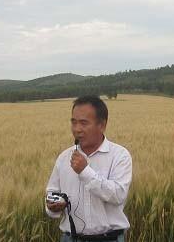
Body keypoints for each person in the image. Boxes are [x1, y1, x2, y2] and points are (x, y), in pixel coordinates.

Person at [45, 95, 132, 242]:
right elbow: (51, 193)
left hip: (109, 239)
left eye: (84, 123)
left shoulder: (120, 156)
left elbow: (118, 195)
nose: (77, 129)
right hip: (69, 238)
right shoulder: (64, 157)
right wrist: (52, 207)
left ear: (102, 125)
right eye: (73, 122)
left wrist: (85, 172)